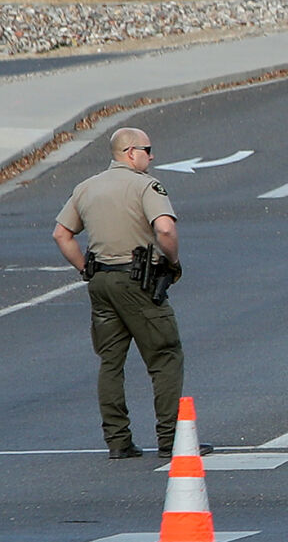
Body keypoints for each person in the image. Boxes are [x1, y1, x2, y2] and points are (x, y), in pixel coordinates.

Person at [53, 127, 188, 460]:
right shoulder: (145, 186)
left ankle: (118, 440)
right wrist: (173, 260)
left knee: (110, 361)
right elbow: (166, 228)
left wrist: (86, 268)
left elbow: (61, 234)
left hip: (101, 283)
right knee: (165, 355)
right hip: (138, 281)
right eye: (147, 149)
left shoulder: (87, 187)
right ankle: (170, 439)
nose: (151, 156)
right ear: (130, 152)